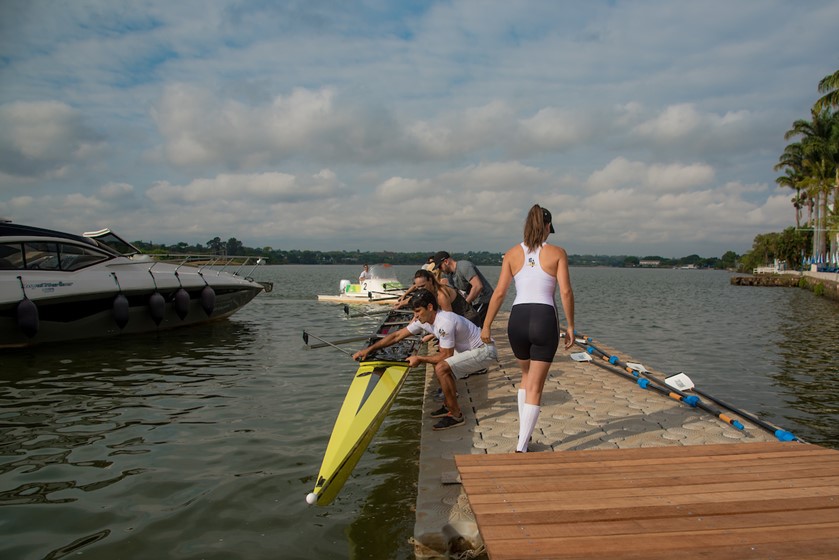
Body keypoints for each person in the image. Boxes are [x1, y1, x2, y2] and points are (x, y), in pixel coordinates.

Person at [480, 204, 575, 452]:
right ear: (546, 227)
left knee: (525, 377)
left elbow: (500, 293)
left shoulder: (511, 254)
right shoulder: (557, 253)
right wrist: (572, 325)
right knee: (535, 386)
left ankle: (525, 434)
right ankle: (522, 446)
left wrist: (487, 325)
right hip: (543, 318)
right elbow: (565, 291)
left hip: (518, 319)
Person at [353, 289, 497, 430]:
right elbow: (397, 336)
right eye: (414, 312)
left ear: (430, 307)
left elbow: (446, 356)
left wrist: (419, 358)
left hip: (485, 351)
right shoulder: (425, 320)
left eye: (418, 311)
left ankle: (456, 416)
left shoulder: (444, 322)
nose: (415, 316)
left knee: (441, 367)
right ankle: (449, 405)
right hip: (470, 350)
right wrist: (369, 349)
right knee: (440, 365)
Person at [433, 251, 494, 327]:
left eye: (440, 267)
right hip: (473, 302)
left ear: (446, 261)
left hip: (483, 299)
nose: (440, 270)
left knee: (474, 325)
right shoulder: (450, 276)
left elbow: (478, 286)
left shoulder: (464, 266)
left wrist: (465, 304)